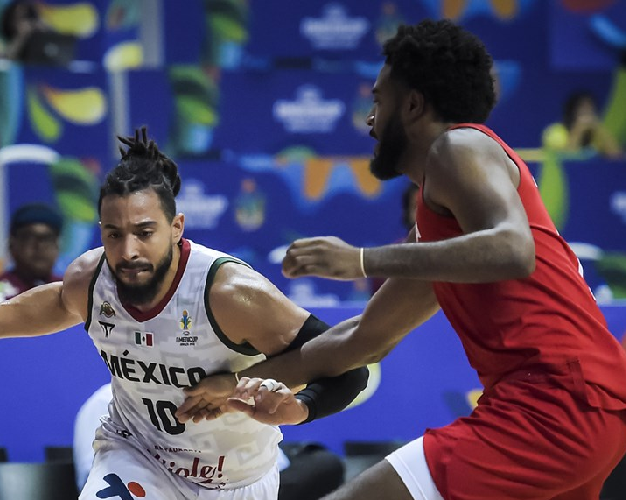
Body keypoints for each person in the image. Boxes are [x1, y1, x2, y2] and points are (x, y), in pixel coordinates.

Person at [179, 20, 626, 500]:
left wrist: (363, 261)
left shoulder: (460, 146)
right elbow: (362, 339)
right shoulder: (446, 233)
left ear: (412, 105)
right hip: (588, 408)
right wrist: (234, 385)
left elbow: (515, 250)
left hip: (555, 402)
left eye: (378, 101)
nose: (369, 120)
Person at [0, 127, 367, 499]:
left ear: (176, 228)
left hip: (237, 479)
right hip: (136, 455)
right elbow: (59, 302)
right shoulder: (92, 279)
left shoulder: (230, 293)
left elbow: (349, 370)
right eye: (113, 234)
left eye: (144, 232)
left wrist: (282, 401)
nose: (127, 251)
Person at [73, 383, 346, 499]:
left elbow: (271, 468)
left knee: (322, 464)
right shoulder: (105, 403)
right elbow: (95, 478)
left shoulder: (210, 395)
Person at [0, 203, 63, 305]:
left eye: (47, 238)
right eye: (29, 237)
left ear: (58, 245)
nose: (39, 247)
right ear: (12, 244)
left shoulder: (69, 290)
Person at [542, 90, 623, 159]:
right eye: (582, 109)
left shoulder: (596, 133)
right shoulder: (555, 132)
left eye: (590, 109)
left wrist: (599, 129)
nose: (587, 113)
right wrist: (579, 130)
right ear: (572, 112)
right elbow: (568, 160)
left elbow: (617, 157)